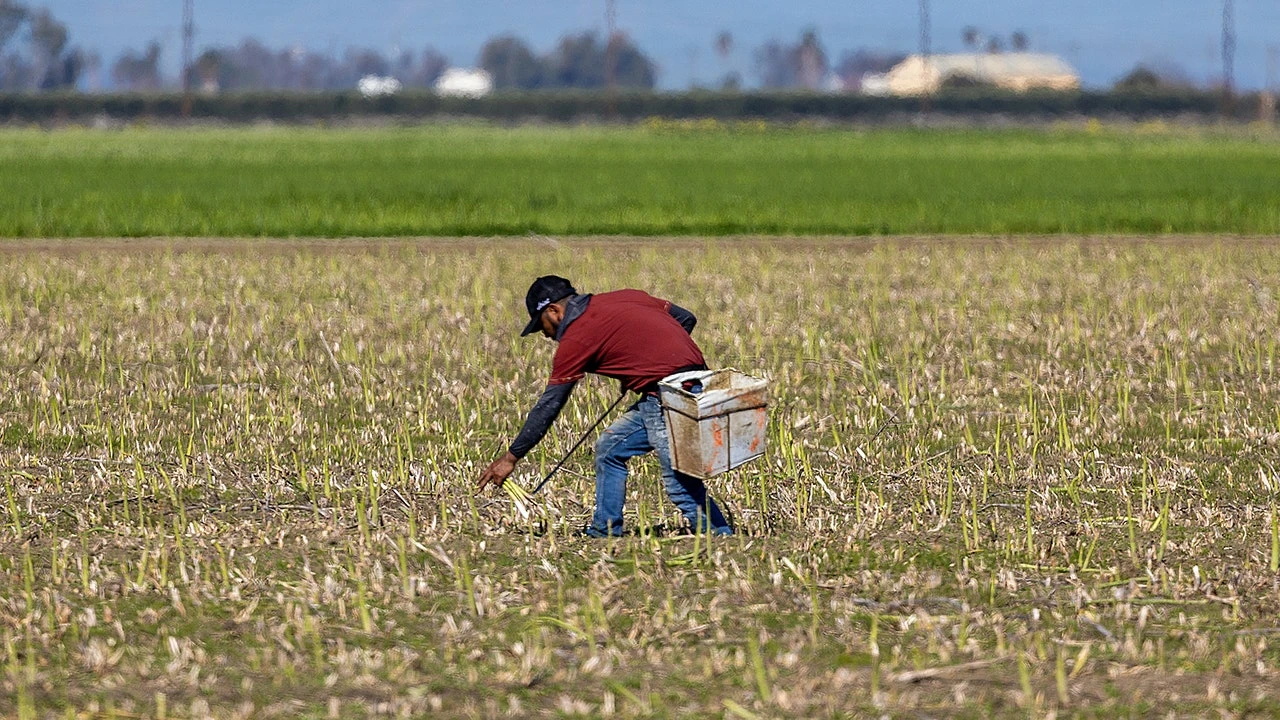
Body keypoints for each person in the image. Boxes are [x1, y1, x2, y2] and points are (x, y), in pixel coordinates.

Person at [476, 275, 734, 537]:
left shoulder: (575, 338)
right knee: (610, 448)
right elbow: (686, 318)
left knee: (679, 481)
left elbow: (551, 403)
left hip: (668, 396)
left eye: (540, 325)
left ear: (553, 311)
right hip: (696, 383)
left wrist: (511, 458)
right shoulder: (627, 297)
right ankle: (605, 530)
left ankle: (720, 536)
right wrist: (647, 360)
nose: (544, 334)